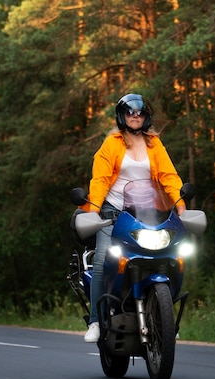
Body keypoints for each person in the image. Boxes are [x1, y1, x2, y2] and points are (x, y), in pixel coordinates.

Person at [82, 93, 186, 343]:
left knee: (171, 255)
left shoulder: (154, 144)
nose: (135, 116)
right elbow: (101, 179)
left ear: (146, 116)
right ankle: (96, 321)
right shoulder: (112, 144)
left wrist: (181, 206)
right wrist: (94, 211)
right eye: (130, 112)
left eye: (139, 112)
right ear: (122, 116)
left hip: (147, 213)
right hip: (113, 212)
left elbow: (168, 176)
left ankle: (163, 318)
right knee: (103, 259)